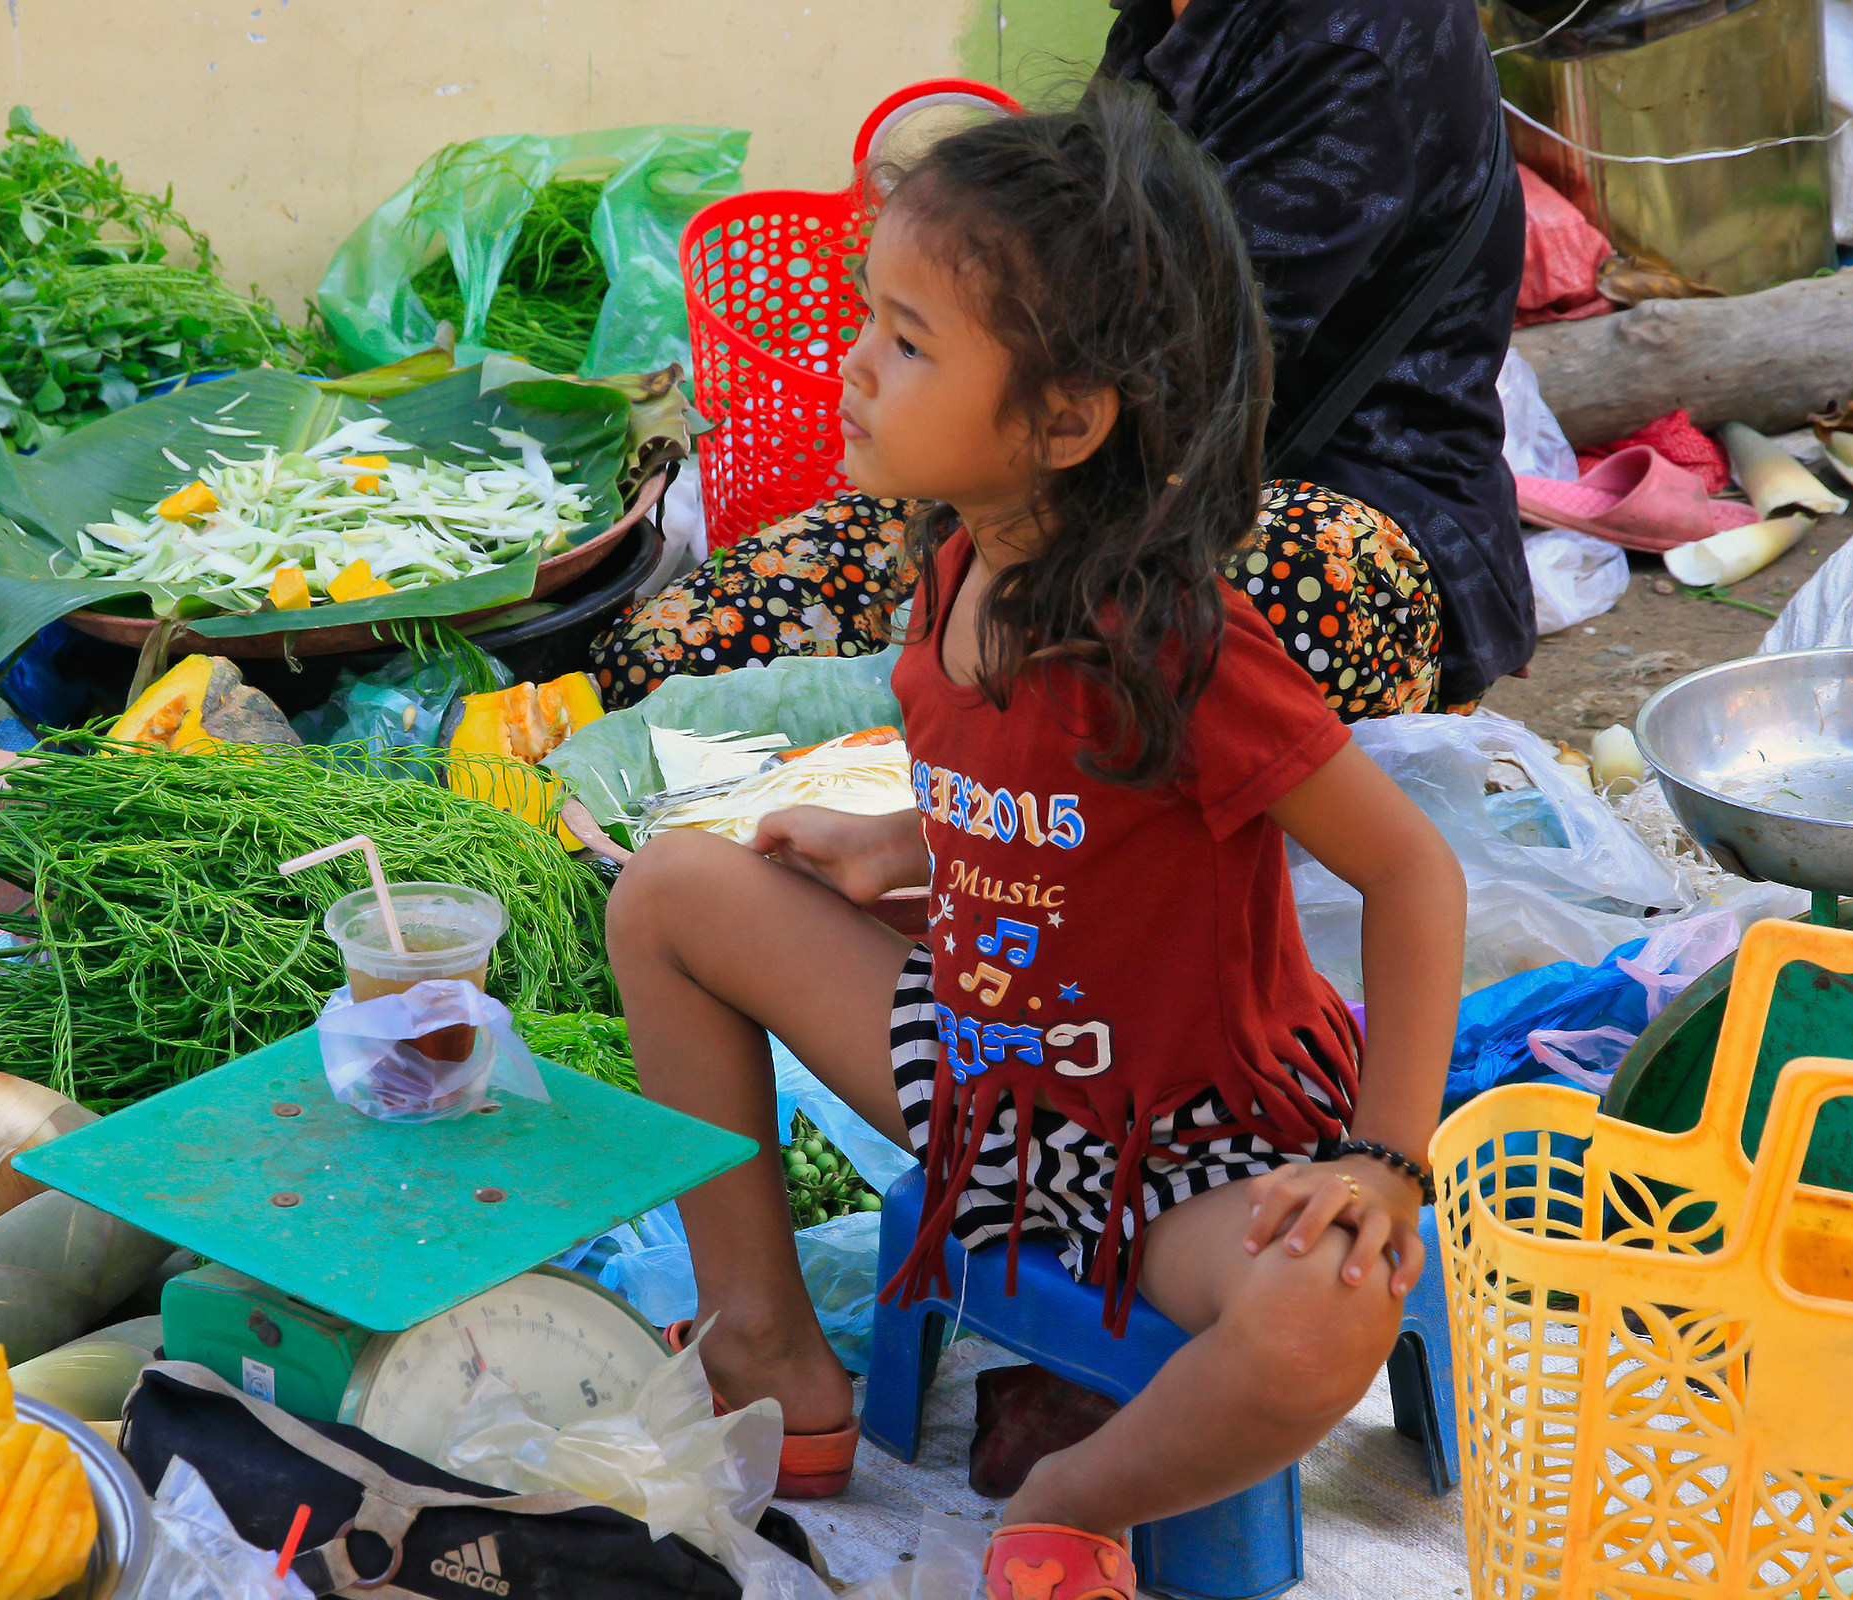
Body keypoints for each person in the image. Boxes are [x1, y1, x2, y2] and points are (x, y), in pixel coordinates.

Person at [604, 86, 1466, 1600]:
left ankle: (1073, 1496)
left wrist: (1387, 1161)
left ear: (1064, 422)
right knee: (671, 891)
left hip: (1190, 1144)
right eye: (870, 321)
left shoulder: (1180, 648)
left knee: (1327, 1312)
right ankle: (770, 1349)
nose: (855, 367)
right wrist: (898, 845)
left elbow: (1413, 870)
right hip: (986, 1074)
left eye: (910, 342)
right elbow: (1048, 819)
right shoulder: (955, 576)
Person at [588, 0, 1527, 722]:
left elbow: (1184, 371)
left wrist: (978, 511)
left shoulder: (1357, 44)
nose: (855, 365)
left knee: (1146, 656)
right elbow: (1068, 283)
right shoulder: (1166, 19)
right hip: (1061, 470)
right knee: (665, 654)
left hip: (1322, 519)